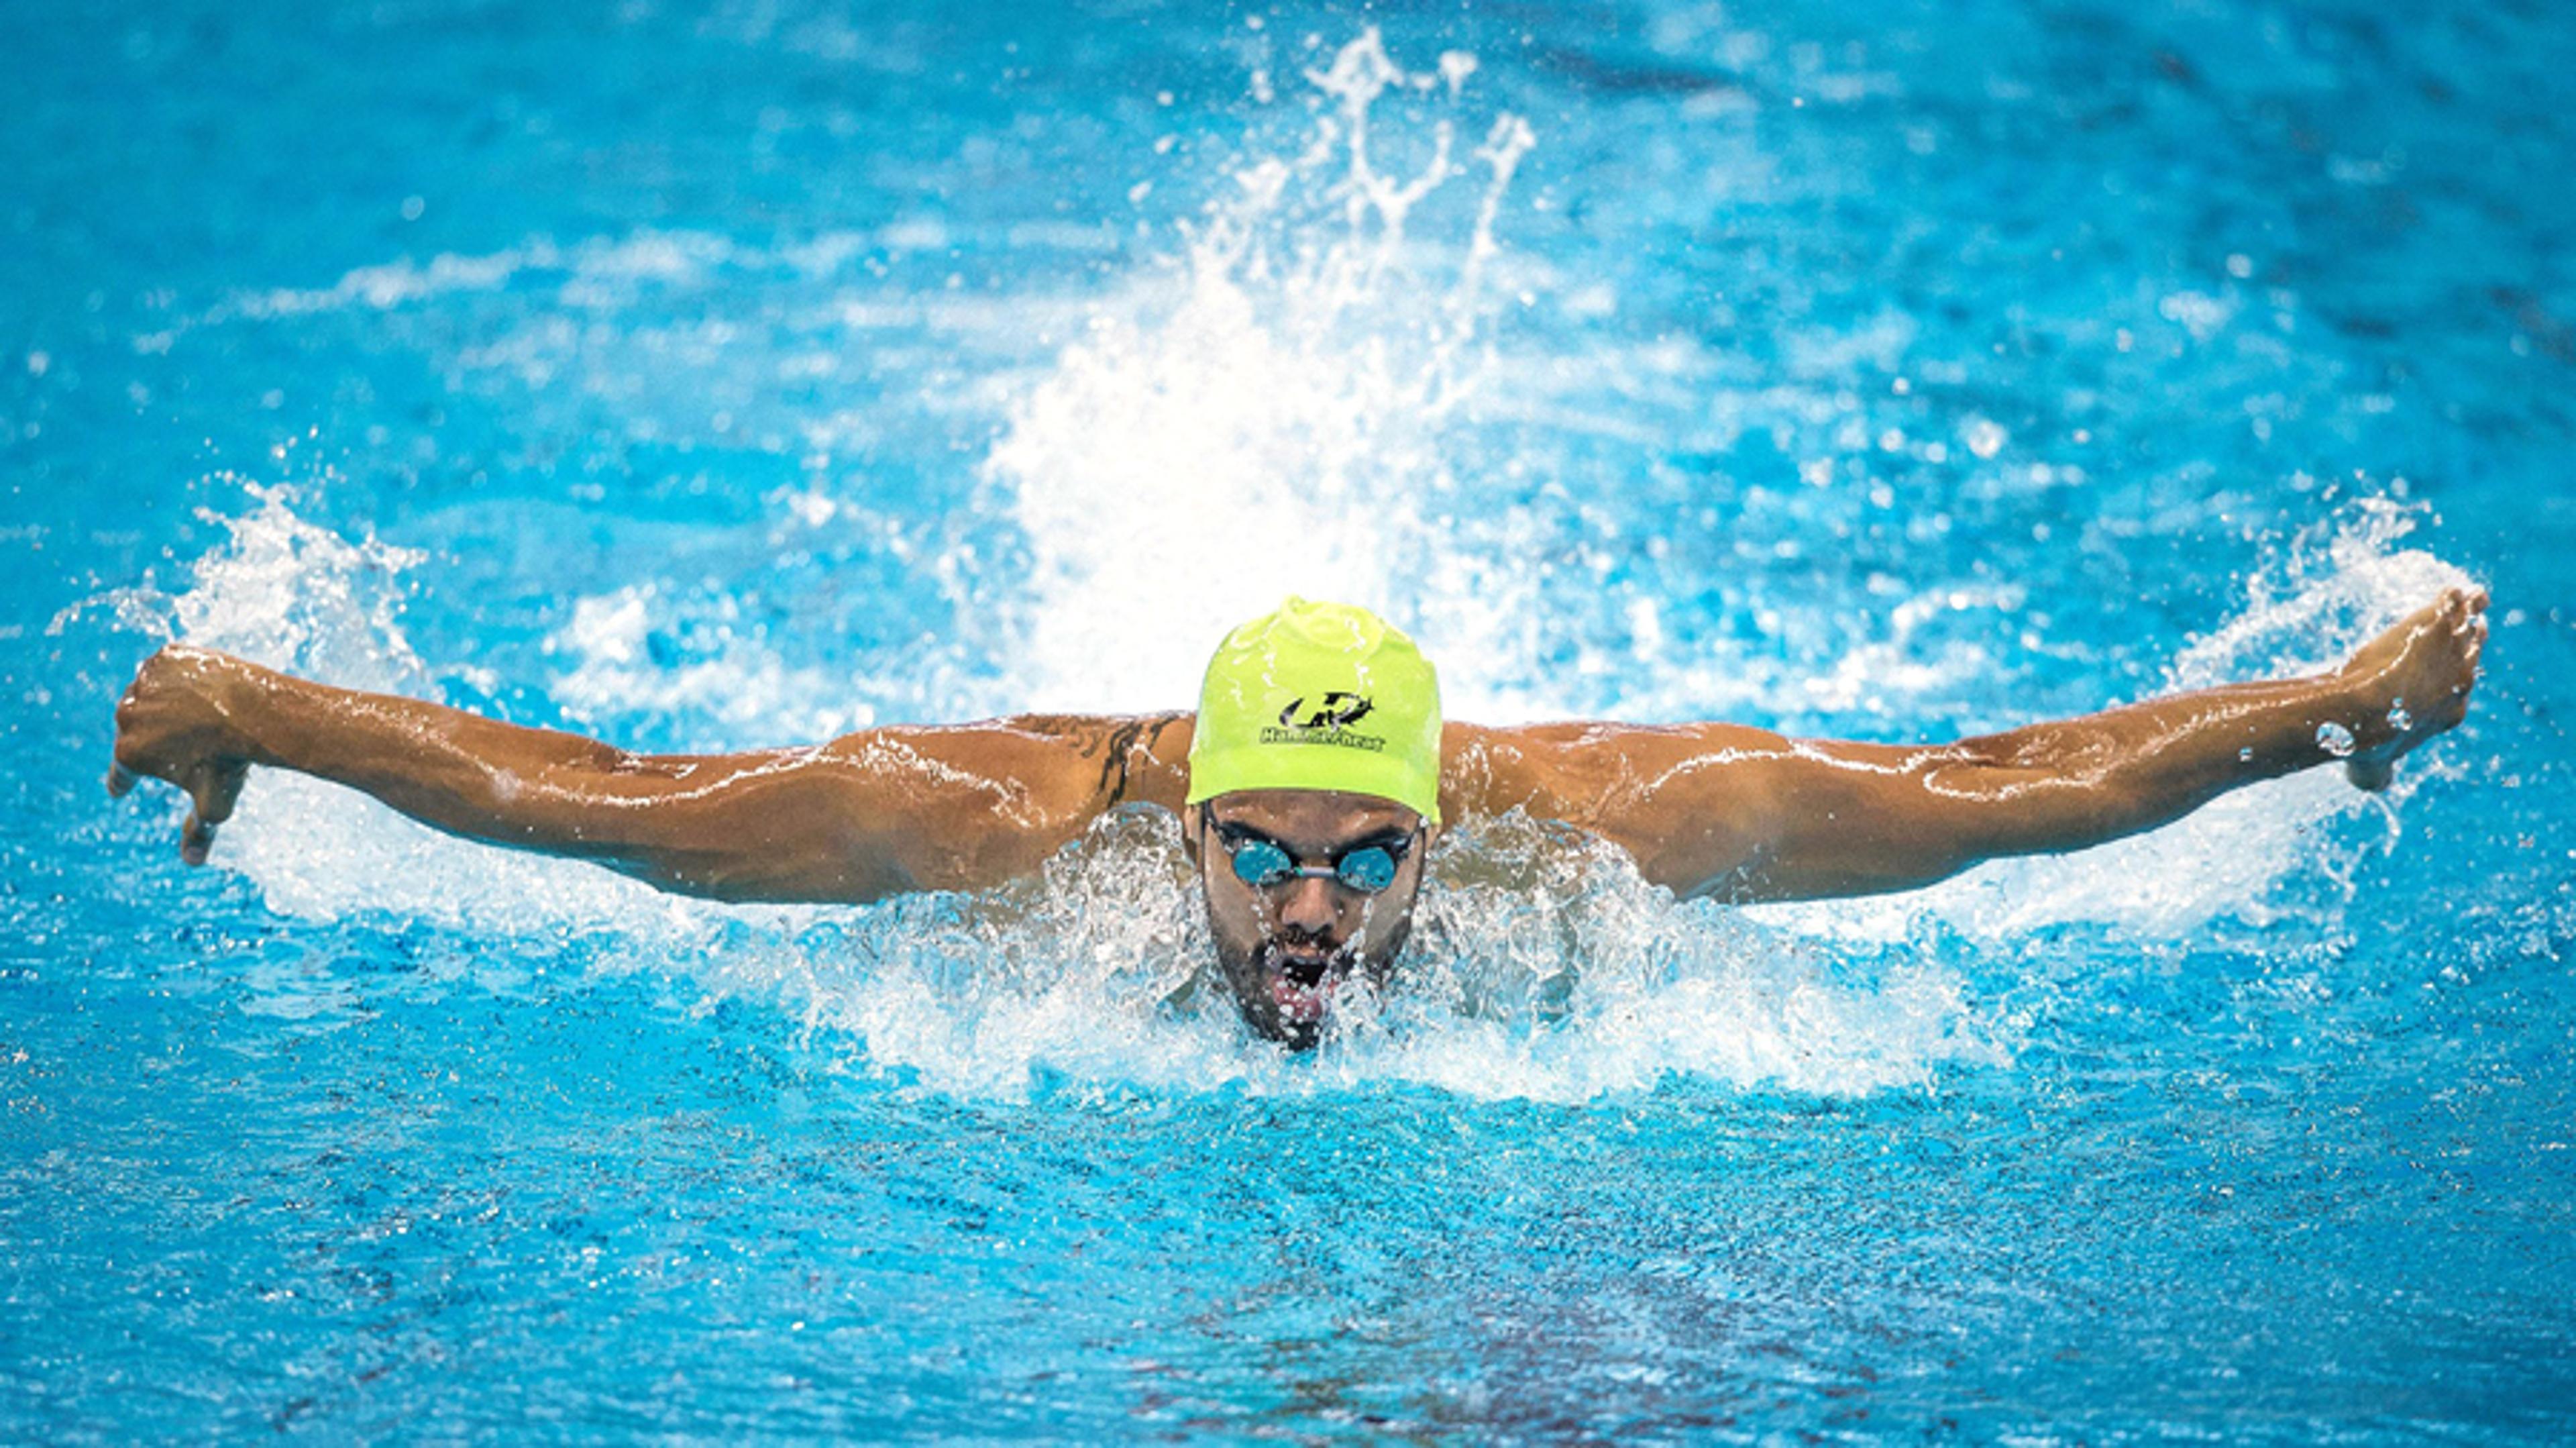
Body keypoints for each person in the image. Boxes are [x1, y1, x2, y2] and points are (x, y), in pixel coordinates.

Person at [108, 589, 2489, 1047]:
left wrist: (2336, 711)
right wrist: (250, 703)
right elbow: (605, 806)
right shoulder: (975, 825)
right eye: (1262, 854)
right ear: (1184, 826)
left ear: (1446, 826)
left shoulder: (1602, 824)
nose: (1316, 913)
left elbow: (1997, 797)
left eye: (1366, 859)